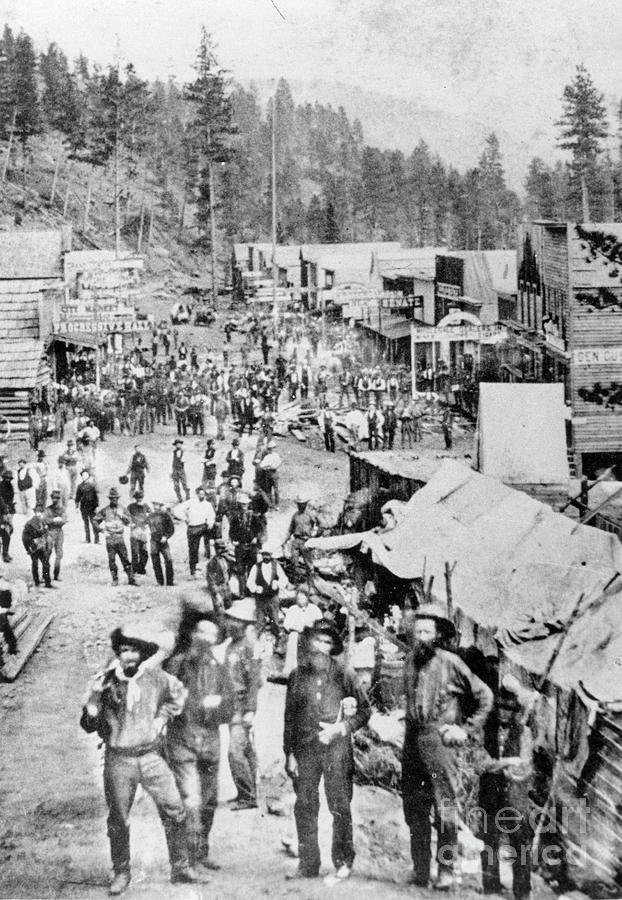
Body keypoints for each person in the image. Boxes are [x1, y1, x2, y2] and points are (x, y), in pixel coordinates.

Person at [80, 623, 200, 895]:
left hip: (151, 757)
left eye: (135, 651)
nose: (130, 657)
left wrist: (162, 717)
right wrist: (96, 697)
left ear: (143, 654)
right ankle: (121, 871)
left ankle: (180, 867)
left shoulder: (156, 677)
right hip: (119, 760)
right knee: (119, 819)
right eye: (124, 651)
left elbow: (178, 694)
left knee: (175, 809)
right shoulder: (106, 681)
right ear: (118, 654)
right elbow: (88, 723)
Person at [401, 603, 493, 890]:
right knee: (414, 807)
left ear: (438, 635)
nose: (421, 637)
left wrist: (464, 730)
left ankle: (446, 871)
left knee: (445, 808)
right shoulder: (409, 661)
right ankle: (420, 871)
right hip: (413, 740)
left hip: (440, 742)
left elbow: (485, 697)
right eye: (417, 632)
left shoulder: (451, 662)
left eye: (427, 632)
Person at [283, 619, 371, 882]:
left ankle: (343, 860)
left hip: (336, 749)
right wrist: (289, 753)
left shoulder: (344, 673)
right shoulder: (297, 676)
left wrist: (341, 728)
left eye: (328, 642)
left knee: (340, 804)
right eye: (318, 640)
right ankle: (308, 864)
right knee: (305, 805)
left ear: (334, 647)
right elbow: (289, 717)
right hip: (305, 749)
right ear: (309, 642)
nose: (322, 647)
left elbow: (365, 711)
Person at [166, 609, 235, 875]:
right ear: (192, 634)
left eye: (212, 634)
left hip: (209, 742)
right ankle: (188, 860)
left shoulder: (218, 667)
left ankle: (202, 851)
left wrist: (217, 706)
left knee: (208, 799)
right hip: (182, 740)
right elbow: (165, 700)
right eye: (202, 632)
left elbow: (230, 703)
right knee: (190, 799)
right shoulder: (177, 663)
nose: (206, 638)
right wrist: (190, 703)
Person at [224, 599, 261, 811]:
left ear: (244, 623)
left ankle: (247, 796)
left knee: (235, 751)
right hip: (232, 705)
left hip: (242, 705)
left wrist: (250, 709)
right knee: (245, 748)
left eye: (234, 621)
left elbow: (254, 681)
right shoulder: (232, 645)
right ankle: (246, 792)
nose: (230, 624)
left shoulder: (248, 646)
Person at [94, 488, 137, 587]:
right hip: (110, 539)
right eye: (112, 498)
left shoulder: (122, 509)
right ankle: (115, 580)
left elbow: (129, 522)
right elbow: (95, 520)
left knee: (125, 559)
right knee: (112, 560)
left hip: (119, 538)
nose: (114, 500)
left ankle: (131, 579)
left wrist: (123, 516)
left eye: (116, 498)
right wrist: (102, 531)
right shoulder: (105, 510)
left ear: (118, 499)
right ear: (110, 499)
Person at [246, 544, 289, 638]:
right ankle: (257, 635)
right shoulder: (256, 566)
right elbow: (250, 582)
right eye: (264, 554)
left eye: (268, 554)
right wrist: (256, 588)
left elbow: (284, 579)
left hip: (273, 596)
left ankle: (277, 633)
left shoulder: (276, 566)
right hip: (261, 597)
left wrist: (278, 584)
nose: (266, 556)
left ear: (271, 555)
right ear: (262, 555)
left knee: (274, 617)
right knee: (260, 618)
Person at [175, 487, 216, 578]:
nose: (202, 496)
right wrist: (185, 518)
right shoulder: (191, 502)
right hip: (193, 527)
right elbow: (177, 510)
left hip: (203, 526)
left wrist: (210, 522)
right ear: (197, 494)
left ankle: (211, 564)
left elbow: (211, 515)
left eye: (203, 494)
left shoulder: (207, 504)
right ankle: (193, 570)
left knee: (213, 542)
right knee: (193, 549)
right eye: (200, 494)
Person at [282, 587, 323, 678]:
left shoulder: (314, 609)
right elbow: (286, 624)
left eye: (303, 598)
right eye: (299, 598)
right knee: (293, 637)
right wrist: (296, 628)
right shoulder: (292, 609)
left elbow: (321, 623)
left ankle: (312, 671)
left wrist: (311, 627)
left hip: (311, 633)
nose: (301, 600)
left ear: (307, 598)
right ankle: (292, 670)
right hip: (297, 633)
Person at [285, 492, 318, 577]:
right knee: (294, 562)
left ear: (306, 504)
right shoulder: (295, 515)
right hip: (296, 540)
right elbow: (291, 529)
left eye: (303, 504)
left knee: (308, 562)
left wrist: (314, 534)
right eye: (299, 504)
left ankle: (311, 580)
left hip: (306, 540)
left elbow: (318, 524)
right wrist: (286, 540)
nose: (301, 506)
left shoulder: (310, 514)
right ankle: (297, 580)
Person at [22, 504, 53, 589]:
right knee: (35, 564)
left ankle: (47, 583)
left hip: (41, 546)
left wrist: (46, 545)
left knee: (46, 564)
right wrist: (28, 548)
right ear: (35, 513)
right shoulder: (30, 523)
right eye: (38, 512)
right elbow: (24, 537)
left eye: (41, 512)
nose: (39, 514)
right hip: (33, 546)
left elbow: (45, 534)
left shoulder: (42, 521)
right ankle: (36, 581)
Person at [147, 500, 175, 586]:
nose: (156, 507)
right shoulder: (150, 516)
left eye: (157, 505)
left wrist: (166, 536)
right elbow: (146, 526)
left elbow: (171, 529)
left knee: (169, 560)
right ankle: (160, 582)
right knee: (155, 561)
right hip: (153, 541)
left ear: (160, 506)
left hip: (163, 541)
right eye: (154, 505)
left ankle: (170, 582)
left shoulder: (165, 515)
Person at [43, 489, 67, 582]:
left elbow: (64, 520)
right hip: (50, 532)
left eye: (57, 498)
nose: (55, 500)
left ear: (59, 499)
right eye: (53, 498)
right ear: (51, 498)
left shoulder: (62, 509)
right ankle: (45, 575)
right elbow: (44, 520)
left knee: (59, 554)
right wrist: (54, 520)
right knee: (47, 554)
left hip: (59, 532)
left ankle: (56, 575)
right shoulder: (48, 509)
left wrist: (54, 520)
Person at [205, 539, 234, 612]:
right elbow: (211, 580)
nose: (222, 550)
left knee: (229, 608)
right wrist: (216, 593)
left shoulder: (226, 559)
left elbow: (229, 570)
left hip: (226, 587)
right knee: (219, 610)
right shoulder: (212, 563)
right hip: (218, 588)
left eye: (223, 548)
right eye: (220, 548)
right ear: (216, 549)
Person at [127, 490, 151, 577]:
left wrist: (147, 523)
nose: (139, 500)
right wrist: (129, 523)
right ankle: (134, 570)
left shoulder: (145, 506)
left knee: (144, 552)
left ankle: (141, 569)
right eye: (137, 498)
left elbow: (151, 515)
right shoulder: (130, 506)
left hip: (143, 531)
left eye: (140, 498)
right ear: (135, 498)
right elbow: (125, 516)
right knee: (135, 551)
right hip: (134, 531)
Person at [75, 469, 99, 544]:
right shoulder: (80, 486)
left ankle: (97, 539)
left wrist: (96, 507)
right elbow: (77, 497)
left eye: (86, 475)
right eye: (83, 475)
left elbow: (95, 497)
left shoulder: (92, 485)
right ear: (81, 476)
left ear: (88, 476)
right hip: (83, 507)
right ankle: (87, 539)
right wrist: (76, 506)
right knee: (86, 524)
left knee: (94, 523)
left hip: (92, 507)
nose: (84, 477)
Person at [258, 440, 282, 509]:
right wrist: (267, 467)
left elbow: (277, 464)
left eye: (273, 448)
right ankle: (270, 504)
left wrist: (270, 466)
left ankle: (277, 504)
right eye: (270, 448)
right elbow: (262, 465)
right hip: (268, 474)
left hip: (274, 474)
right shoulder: (267, 457)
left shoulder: (276, 455)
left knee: (276, 490)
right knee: (268, 490)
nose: (271, 449)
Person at [0, 470, 15, 562]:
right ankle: (4, 554)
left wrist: (11, 508)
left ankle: (5, 553)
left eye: (9, 478)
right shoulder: (0, 486)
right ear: (3, 478)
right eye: (6, 478)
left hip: (7, 511)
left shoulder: (10, 487)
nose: (8, 480)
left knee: (8, 532)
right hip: (1, 513)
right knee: (5, 533)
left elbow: (11, 499)